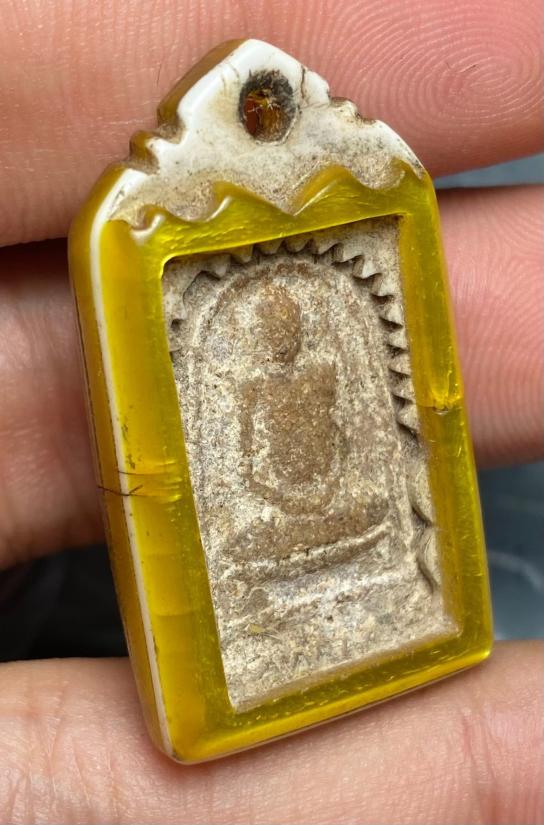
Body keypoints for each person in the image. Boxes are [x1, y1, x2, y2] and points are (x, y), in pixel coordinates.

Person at [0, 1, 542, 821]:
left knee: (369, 511)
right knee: (251, 544)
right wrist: (285, 494)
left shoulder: (322, 368)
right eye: (273, 327)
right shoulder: (252, 384)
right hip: (277, 527)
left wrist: (323, 484)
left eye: (291, 325)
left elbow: (348, 449)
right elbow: (252, 466)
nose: (284, 337)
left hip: (334, 514)